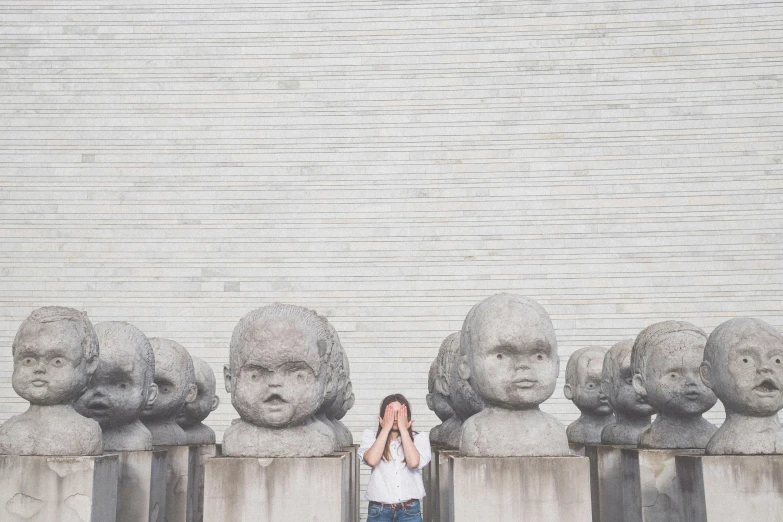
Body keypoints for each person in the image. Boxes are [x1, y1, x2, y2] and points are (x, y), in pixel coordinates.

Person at [358, 394, 431, 522]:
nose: (395, 417)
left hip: (409, 511)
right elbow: (372, 460)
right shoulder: (370, 437)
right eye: (391, 412)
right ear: (383, 414)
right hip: (378, 511)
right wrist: (385, 428)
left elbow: (414, 462)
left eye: (400, 413)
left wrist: (404, 430)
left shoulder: (419, 438)